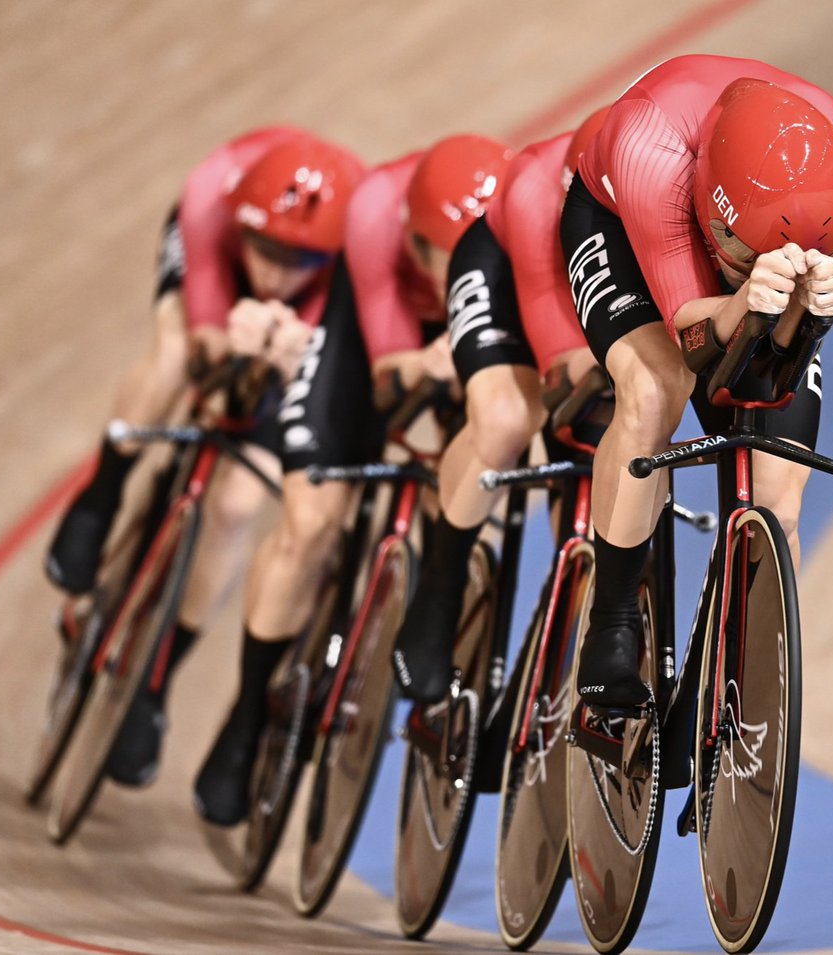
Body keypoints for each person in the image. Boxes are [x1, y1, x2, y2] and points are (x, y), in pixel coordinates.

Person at [193, 131, 515, 823]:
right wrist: (425, 366)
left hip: (465, 341)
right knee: (309, 525)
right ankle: (246, 716)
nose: (460, 277)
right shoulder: (375, 214)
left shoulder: (508, 240)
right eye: (448, 261)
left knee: (472, 489)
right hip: (366, 338)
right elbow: (389, 379)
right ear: (416, 240)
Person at [44, 126, 366, 788]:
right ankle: (102, 496)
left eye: (297, 260)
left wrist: (285, 357)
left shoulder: (351, 261)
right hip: (211, 269)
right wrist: (223, 349)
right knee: (173, 357)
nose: (275, 273)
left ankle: (155, 679)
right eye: (265, 251)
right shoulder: (209, 199)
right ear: (243, 225)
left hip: (306, 318)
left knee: (236, 504)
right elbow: (205, 344)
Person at [558, 55, 833, 707]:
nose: (746, 268)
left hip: (746, 234)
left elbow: (774, 364)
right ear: (713, 212)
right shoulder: (652, 150)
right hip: (623, 225)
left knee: (779, 497)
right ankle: (612, 622)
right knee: (654, 390)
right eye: (741, 254)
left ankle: (747, 690)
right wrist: (742, 300)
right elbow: (692, 341)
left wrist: (810, 310)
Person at [390, 108, 610, 703]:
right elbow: (556, 356)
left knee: (613, 460)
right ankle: (439, 594)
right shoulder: (536, 187)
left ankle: (553, 653)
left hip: (592, 281)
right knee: (509, 418)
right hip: (513, 269)